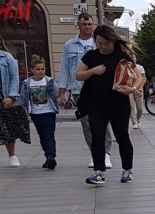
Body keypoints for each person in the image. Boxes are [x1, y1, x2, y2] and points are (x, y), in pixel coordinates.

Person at [76, 24, 137, 185]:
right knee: (97, 136)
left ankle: (127, 170)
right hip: (96, 104)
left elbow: (138, 77)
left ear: (113, 41)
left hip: (119, 104)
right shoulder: (91, 56)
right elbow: (78, 75)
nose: (103, 46)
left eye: (106, 43)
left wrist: (132, 89)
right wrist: (92, 71)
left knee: (122, 136)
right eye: (99, 43)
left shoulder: (122, 57)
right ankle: (99, 172)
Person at [57, 13, 111, 169]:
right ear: (78, 25)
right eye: (84, 24)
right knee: (86, 124)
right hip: (78, 89)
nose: (88, 27)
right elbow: (65, 69)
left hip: (99, 88)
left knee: (103, 121)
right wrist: (62, 92)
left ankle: (106, 154)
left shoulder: (99, 43)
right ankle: (95, 153)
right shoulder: (69, 45)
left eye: (90, 24)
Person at [20, 56, 58, 169]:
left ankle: (51, 156)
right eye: (37, 69)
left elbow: (55, 94)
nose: (40, 71)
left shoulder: (50, 81)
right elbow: (23, 98)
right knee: (42, 135)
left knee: (48, 135)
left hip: (49, 112)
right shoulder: (27, 83)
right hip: (36, 113)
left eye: (42, 69)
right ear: (32, 70)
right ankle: (47, 156)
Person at [0, 38, 29, 166]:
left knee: (8, 128)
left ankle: (12, 155)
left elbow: (14, 78)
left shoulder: (7, 57)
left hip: (4, 96)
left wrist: (12, 96)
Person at [128, 52, 147, 129]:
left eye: (134, 57)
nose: (133, 58)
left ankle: (138, 118)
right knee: (131, 106)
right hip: (129, 88)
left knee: (140, 108)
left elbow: (144, 78)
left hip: (138, 88)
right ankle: (134, 122)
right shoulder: (127, 67)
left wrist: (141, 86)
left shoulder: (140, 67)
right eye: (131, 57)